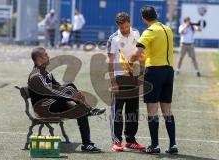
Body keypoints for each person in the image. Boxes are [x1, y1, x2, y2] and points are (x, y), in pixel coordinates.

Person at [28, 47, 106, 152]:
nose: (49, 56)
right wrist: (72, 97)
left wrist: (74, 95)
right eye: (46, 55)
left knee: (81, 109)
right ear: (40, 59)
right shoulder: (36, 76)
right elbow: (51, 93)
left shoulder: (46, 73)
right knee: (69, 87)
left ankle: (86, 144)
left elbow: (58, 87)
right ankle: (89, 109)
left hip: (54, 104)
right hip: (44, 109)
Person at [130, 6, 178, 154]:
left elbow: (137, 53)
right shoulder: (168, 29)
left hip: (154, 72)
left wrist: (130, 61)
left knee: (152, 110)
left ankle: (155, 145)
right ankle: (173, 145)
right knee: (167, 111)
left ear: (144, 19)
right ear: (156, 15)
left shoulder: (149, 31)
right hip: (169, 71)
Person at [107, 12, 146, 152]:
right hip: (119, 77)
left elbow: (141, 54)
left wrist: (141, 73)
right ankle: (116, 141)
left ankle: (131, 140)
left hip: (134, 76)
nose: (125, 30)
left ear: (130, 22)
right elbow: (110, 62)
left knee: (133, 110)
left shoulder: (136, 33)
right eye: (122, 28)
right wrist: (113, 82)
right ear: (118, 26)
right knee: (117, 111)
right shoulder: (113, 39)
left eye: (127, 27)